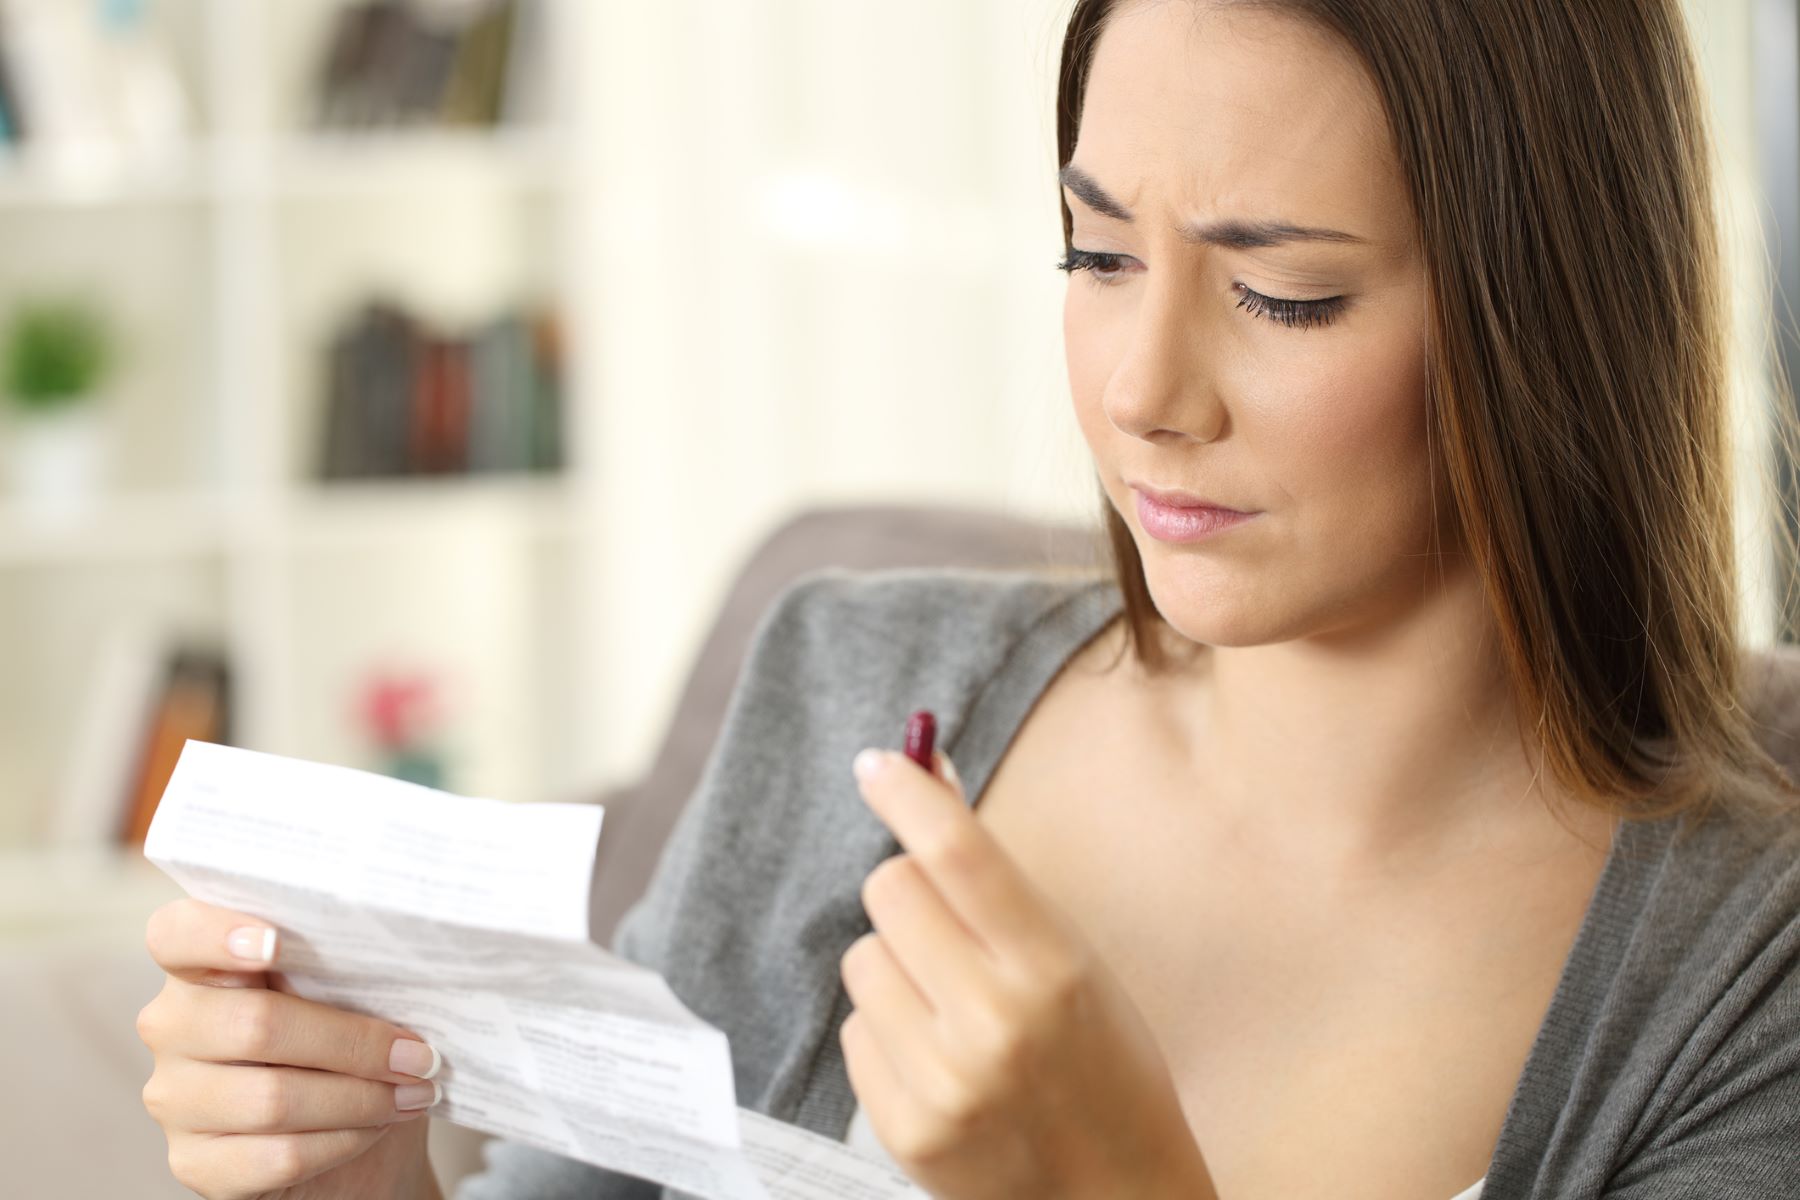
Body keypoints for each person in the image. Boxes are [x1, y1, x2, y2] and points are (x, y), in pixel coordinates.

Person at [136, 1, 1800, 1197]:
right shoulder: (859, 684)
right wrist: (351, 1177)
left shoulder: (1743, 979)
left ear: (1548, 318)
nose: (1148, 390)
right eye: (1097, 259)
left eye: (1283, 297)